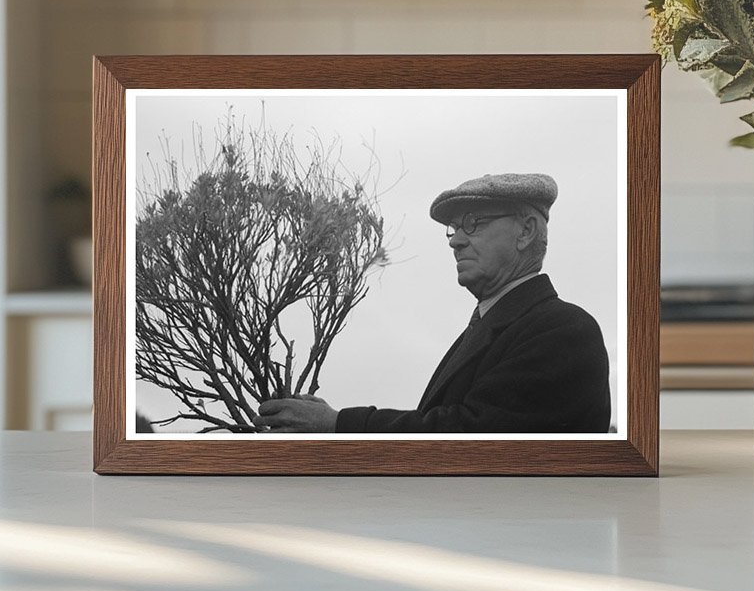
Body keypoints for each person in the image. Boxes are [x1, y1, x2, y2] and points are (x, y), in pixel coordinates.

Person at [256, 173, 611, 434]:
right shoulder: (493, 326)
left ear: (526, 231)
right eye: (453, 228)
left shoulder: (564, 330)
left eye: (473, 223)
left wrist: (340, 424)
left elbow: (469, 437)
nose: (455, 241)